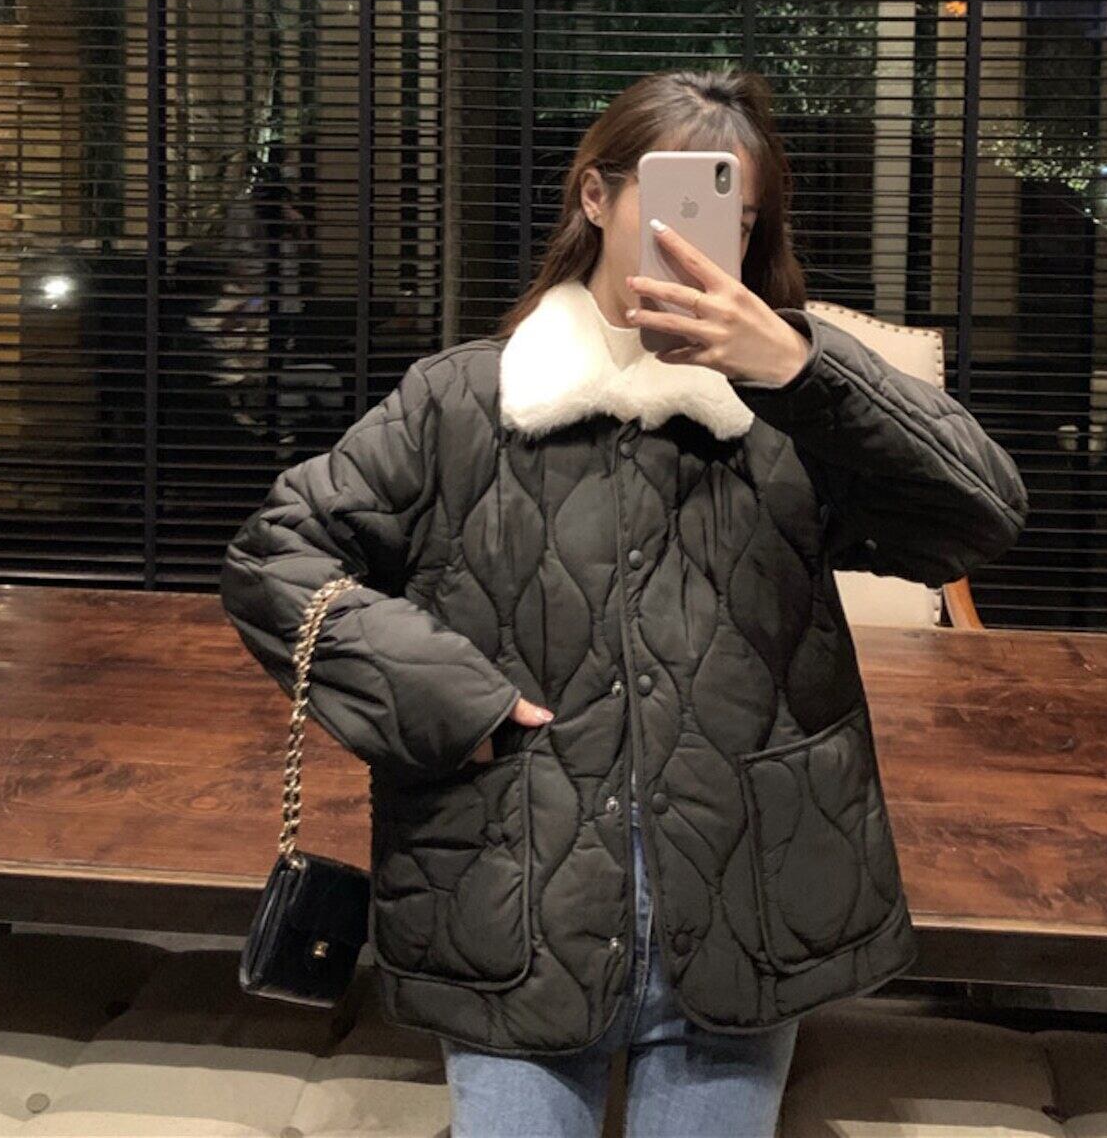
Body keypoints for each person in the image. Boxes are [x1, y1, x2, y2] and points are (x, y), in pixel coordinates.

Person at [220, 67, 1029, 1137]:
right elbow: (274, 558)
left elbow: (980, 514)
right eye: (673, 201)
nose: (703, 240)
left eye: (735, 218)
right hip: (511, 902)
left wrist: (798, 363)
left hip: (748, 905)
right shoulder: (460, 403)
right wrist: (447, 697)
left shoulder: (788, 419)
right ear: (595, 198)